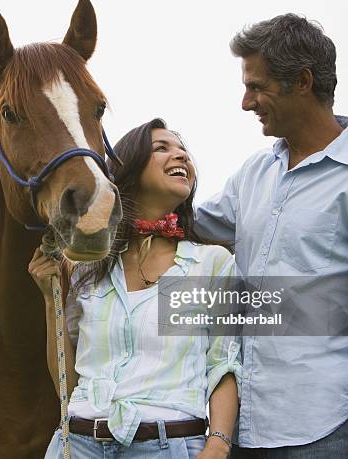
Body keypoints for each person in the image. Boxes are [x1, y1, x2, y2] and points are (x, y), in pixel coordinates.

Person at [195, 13, 348, 459]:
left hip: (324, 429)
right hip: (244, 431)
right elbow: (189, 224)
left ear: (303, 81)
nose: (246, 102)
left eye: (256, 86)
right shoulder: (254, 172)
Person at [29, 118, 242, 458]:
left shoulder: (211, 264)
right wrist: (48, 298)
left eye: (183, 150)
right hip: (78, 443)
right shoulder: (87, 268)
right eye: (163, 148)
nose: (181, 156)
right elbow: (68, 385)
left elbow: (224, 363)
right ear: (131, 168)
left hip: (166, 444)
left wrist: (218, 443)